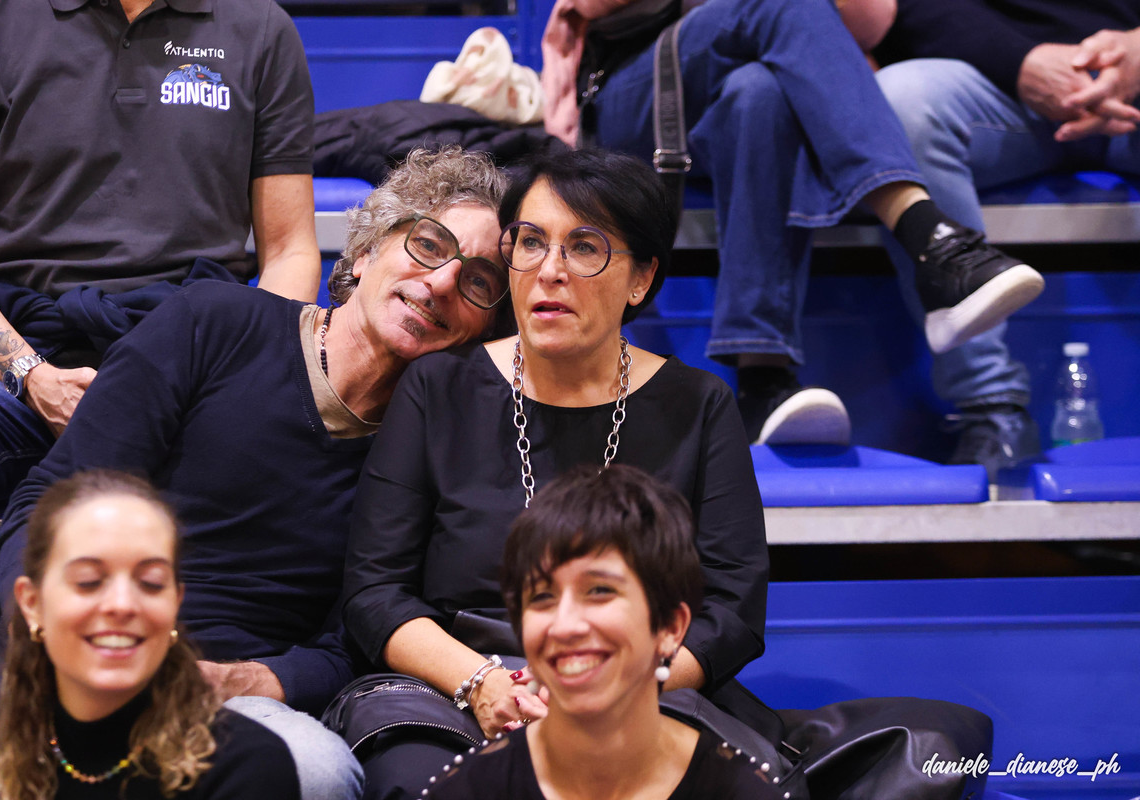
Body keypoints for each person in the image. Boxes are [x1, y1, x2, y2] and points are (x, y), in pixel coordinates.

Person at [341, 148, 990, 800]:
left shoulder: (698, 405)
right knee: (422, 781)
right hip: (452, 683)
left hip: (640, 682)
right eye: (531, 242)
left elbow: (732, 609)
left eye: (585, 248)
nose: (550, 271)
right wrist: (481, 681)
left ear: (641, 279)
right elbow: (375, 589)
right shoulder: (439, 387)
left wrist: (611, 687)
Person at [0, 148, 508, 794]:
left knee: (314, 773)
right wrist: (45, 633)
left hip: (236, 696)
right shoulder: (213, 321)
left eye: (478, 281)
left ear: (484, 327)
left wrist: (250, 679)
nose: (444, 282)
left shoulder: (437, 448)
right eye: (428, 245)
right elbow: (53, 499)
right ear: (366, 251)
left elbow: (363, 637)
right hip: (86, 636)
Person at [0, 0, 320, 629]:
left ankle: (201, 669)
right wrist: (32, 377)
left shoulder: (260, 29)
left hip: (190, 358)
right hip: (23, 353)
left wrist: (243, 385)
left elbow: (289, 249)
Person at [538, 0, 1046, 456]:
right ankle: (929, 238)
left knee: (757, 92)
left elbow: (873, 21)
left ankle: (762, 377)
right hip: (631, 80)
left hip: (742, 90)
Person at [872, 0, 1140, 478]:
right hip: (995, 82)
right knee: (900, 99)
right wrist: (1019, 61)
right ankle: (991, 408)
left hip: (1132, 73)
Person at [423, 464, 785, 800]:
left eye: (599, 591)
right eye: (542, 597)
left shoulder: (739, 792)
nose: (565, 625)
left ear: (671, 628)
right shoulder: (469, 790)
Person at [0, 470, 303, 799]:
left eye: (151, 583)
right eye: (88, 581)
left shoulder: (247, 768)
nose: (122, 604)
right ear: (32, 604)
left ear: (175, 603)